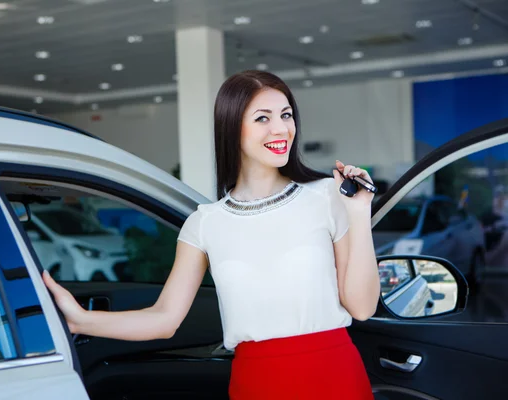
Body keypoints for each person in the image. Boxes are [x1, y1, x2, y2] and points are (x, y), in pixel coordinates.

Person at [43, 70, 380, 399]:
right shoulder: (205, 223)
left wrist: (359, 211)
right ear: (232, 128)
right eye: (263, 118)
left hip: (334, 376)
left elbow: (362, 307)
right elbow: (164, 320)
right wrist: (82, 321)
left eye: (286, 115)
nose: (281, 128)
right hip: (258, 383)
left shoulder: (325, 195)